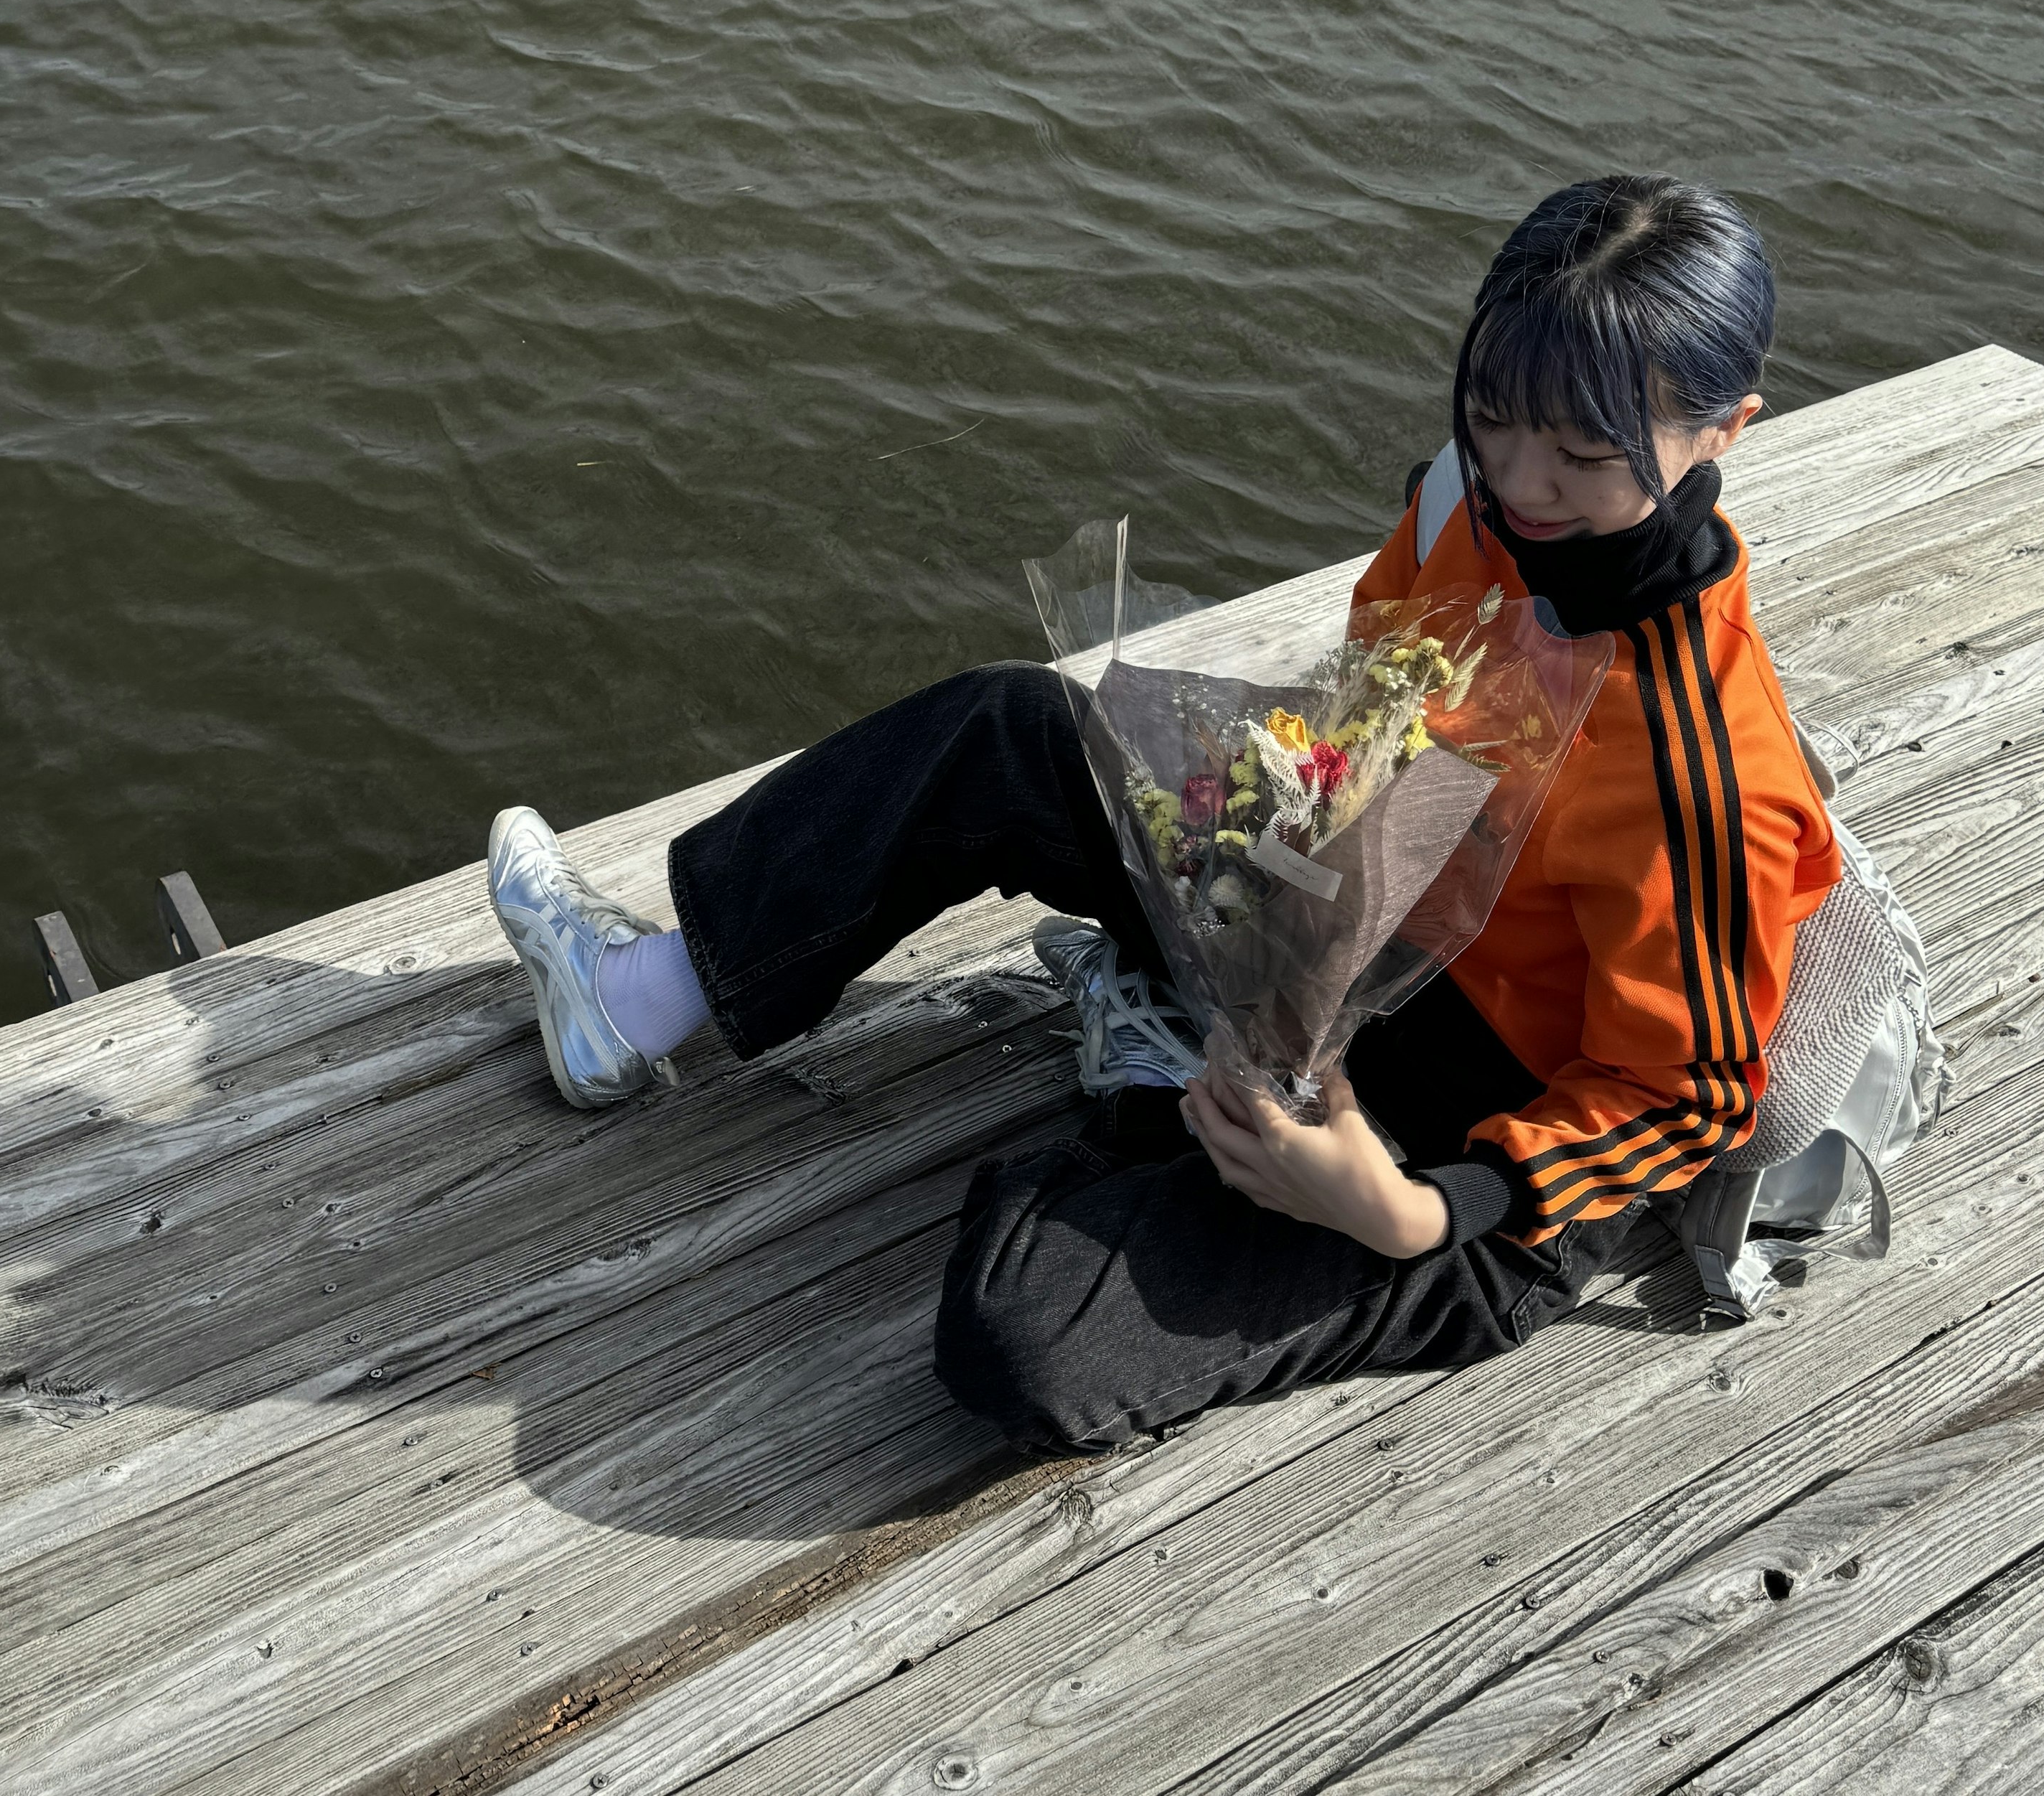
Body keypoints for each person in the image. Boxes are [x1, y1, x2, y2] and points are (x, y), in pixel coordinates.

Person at [487, 175, 1841, 1451]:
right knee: (1010, 725)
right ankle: (640, 1000)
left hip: (1483, 1139)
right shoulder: (1469, 499)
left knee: (1027, 1341)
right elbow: (1370, 707)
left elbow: (1694, 1093)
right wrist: (1259, 848)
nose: (1523, 480)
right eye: (1493, 412)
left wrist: (1412, 1207)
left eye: (1587, 452)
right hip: (1333, 909)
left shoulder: (1710, 762)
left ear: (1728, 430)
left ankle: (1151, 1084)